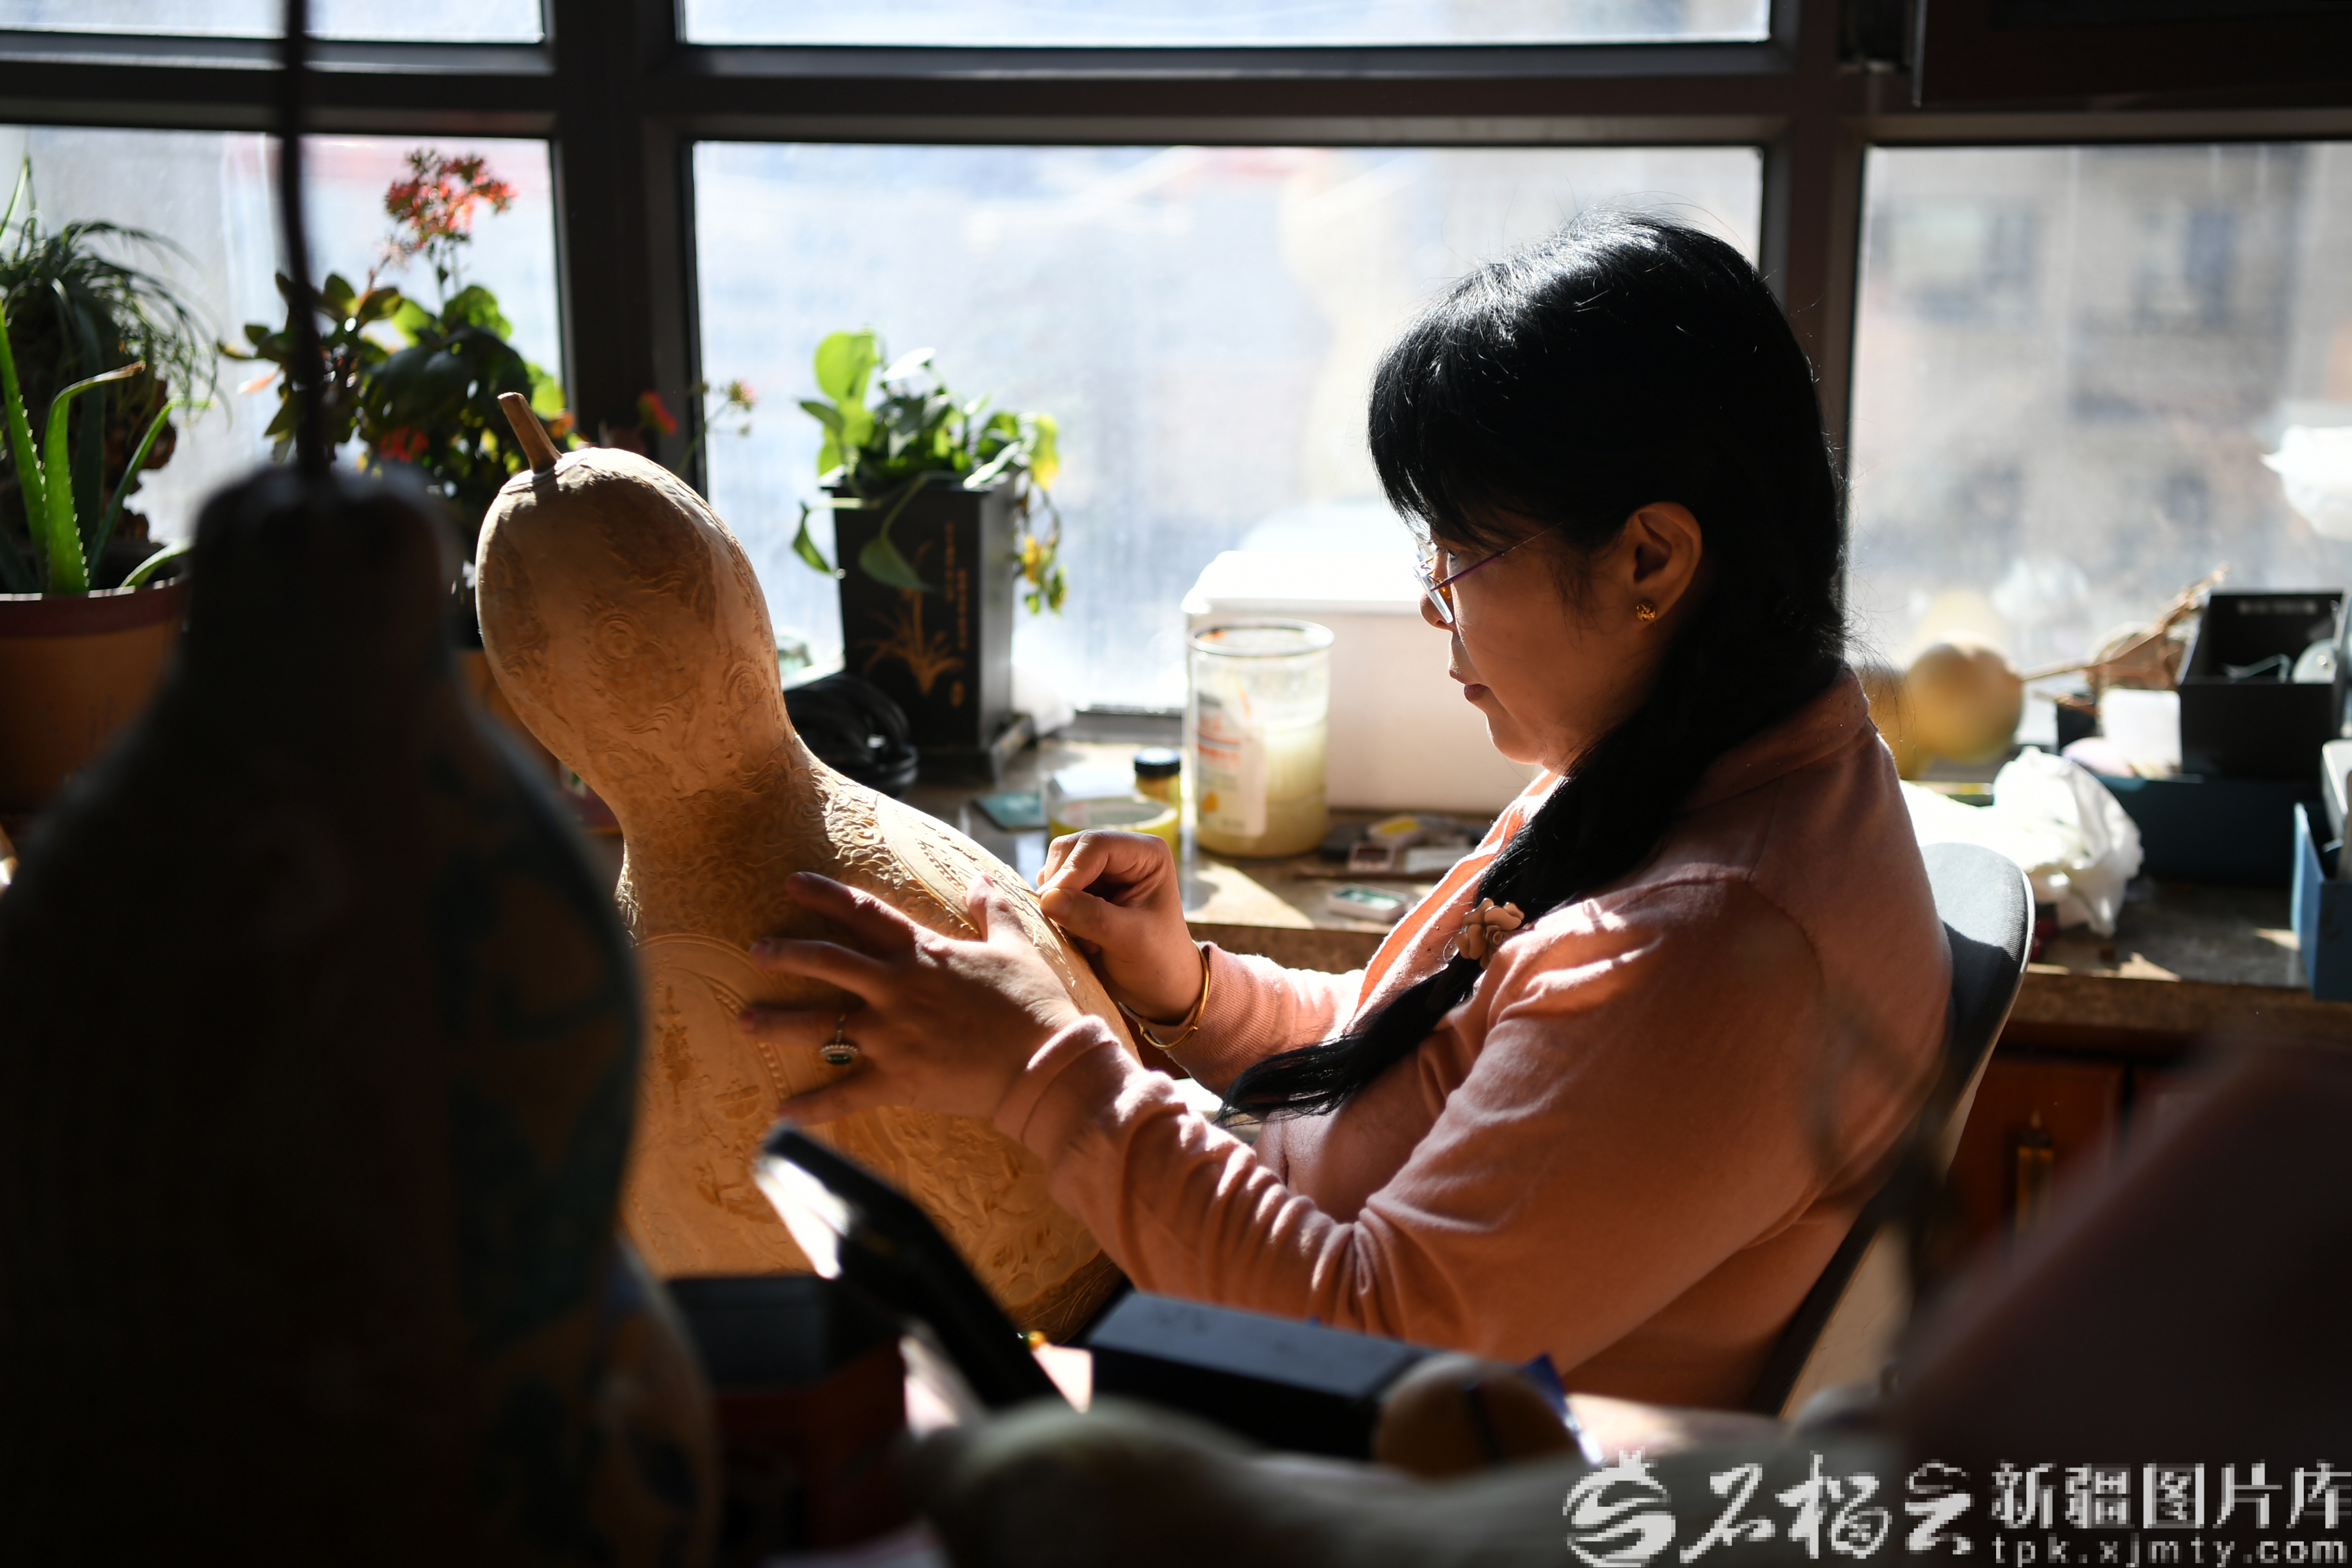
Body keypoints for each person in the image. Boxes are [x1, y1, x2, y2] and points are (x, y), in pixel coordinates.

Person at [742, 212, 1949, 1409]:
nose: (1433, 603)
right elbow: (1426, 1054)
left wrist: (1039, 1071)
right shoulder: (1692, 758)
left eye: (1460, 554)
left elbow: (1376, 1337)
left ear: (1651, 559)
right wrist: (1191, 991)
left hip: (1409, 1471)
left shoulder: (1710, 946)